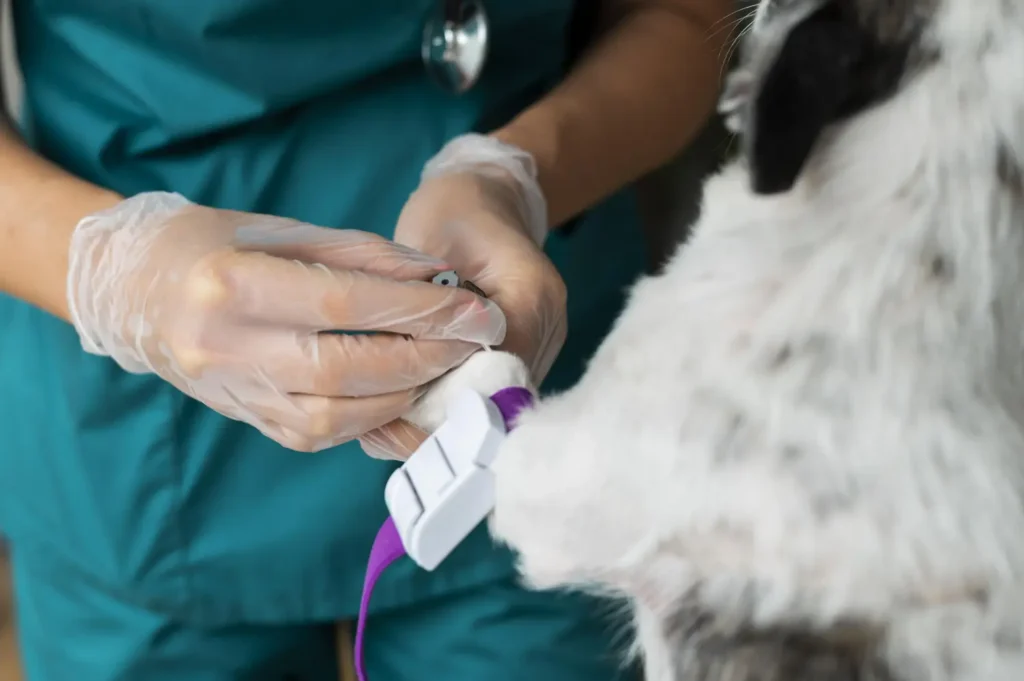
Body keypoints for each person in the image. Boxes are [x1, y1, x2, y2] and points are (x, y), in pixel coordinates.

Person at [0, 0, 731, 679]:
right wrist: (111, 270)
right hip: (143, 448)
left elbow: (682, 14)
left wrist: (520, 175)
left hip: (530, 400)